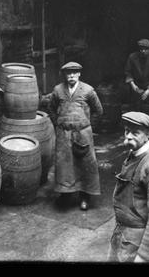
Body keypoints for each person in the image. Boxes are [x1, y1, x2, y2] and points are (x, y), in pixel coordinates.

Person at [108, 112, 149, 263]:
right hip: (122, 231)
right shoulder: (134, 153)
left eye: (135, 133)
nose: (128, 136)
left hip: (135, 240)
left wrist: (144, 254)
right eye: (127, 131)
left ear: (147, 135)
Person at [49, 61, 103, 211]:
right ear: (65, 75)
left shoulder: (88, 90)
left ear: (79, 74)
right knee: (64, 165)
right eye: (68, 73)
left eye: (74, 72)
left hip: (83, 133)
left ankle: (84, 197)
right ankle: (65, 195)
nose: (71, 75)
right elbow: (51, 108)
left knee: (85, 164)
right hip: (64, 134)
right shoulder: (58, 90)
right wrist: (58, 124)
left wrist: (88, 127)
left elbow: (99, 111)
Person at [124, 39, 149, 109]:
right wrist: (133, 85)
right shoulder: (132, 57)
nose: (143, 51)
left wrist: (148, 91)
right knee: (136, 110)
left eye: (145, 49)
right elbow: (128, 72)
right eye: (141, 49)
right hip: (136, 88)